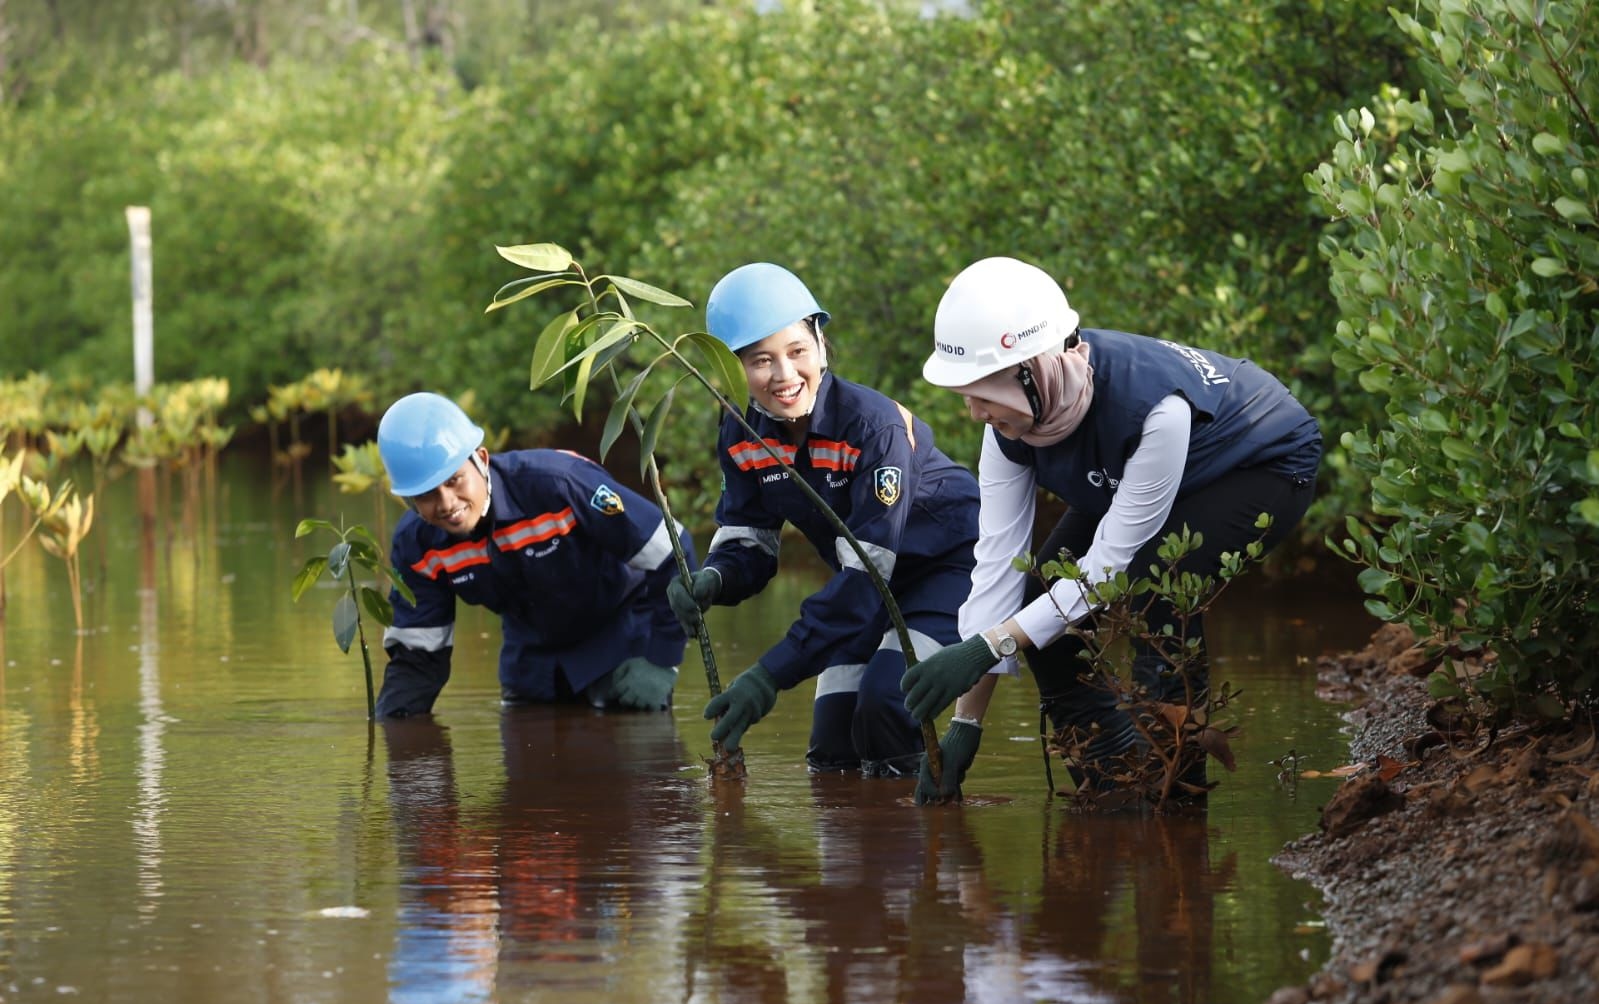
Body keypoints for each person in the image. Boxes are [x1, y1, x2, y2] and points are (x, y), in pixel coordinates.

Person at [901, 256, 1323, 803]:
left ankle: (1175, 789)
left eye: (984, 393)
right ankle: (1110, 778)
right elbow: (998, 569)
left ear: (1036, 369)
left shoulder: (1155, 410)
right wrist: (967, 723)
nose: (975, 413)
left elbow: (1108, 571)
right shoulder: (1006, 428)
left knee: (1158, 586)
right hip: (1142, 474)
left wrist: (992, 645)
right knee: (1040, 598)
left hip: (1261, 464)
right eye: (966, 397)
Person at [668, 263, 980, 777]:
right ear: (729, 371)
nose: (785, 376)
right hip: (865, 588)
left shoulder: (871, 426)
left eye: (797, 352)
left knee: (885, 703)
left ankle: (924, 832)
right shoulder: (741, 434)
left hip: (947, 572)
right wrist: (713, 579)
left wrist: (769, 675)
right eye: (760, 361)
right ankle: (855, 848)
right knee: (834, 742)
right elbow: (750, 541)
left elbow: (866, 576)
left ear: (821, 345)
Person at [374, 392, 695, 717]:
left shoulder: (560, 484)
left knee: (642, 758)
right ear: (408, 500)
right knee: (530, 752)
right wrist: (389, 733)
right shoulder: (416, 545)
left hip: (621, 644)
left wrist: (662, 659)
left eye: (455, 481)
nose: (446, 503)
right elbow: (418, 656)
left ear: (481, 460)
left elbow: (672, 551)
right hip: (531, 665)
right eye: (426, 495)